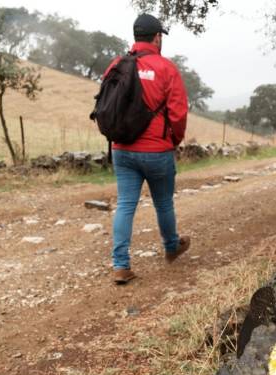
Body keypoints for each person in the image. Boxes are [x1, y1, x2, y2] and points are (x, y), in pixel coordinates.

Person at [105, 13, 190, 285]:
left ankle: (120, 265)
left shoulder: (116, 65)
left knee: (125, 205)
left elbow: (106, 104)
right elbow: (178, 114)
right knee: (163, 202)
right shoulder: (166, 69)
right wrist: (172, 142)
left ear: (135, 36)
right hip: (156, 150)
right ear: (157, 37)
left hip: (121, 148)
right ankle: (171, 247)